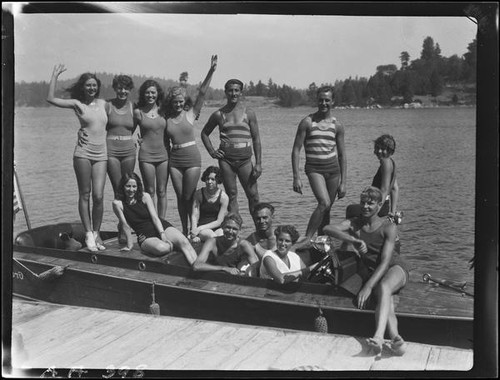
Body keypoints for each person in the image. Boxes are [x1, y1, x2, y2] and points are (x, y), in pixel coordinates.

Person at [323, 186, 409, 356]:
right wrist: (352, 239)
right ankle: (396, 339)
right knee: (387, 301)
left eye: (370, 203)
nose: (366, 207)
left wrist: (368, 286)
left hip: (395, 268)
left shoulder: (388, 227)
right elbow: (327, 229)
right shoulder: (355, 224)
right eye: (363, 203)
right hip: (374, 271)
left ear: (379, 206)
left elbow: (385, 262)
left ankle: (378, 336)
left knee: (383, 288)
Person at [46, 64, 108, 252]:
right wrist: (54, 75)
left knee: (98, 196)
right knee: (85, 194)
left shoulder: (104, 103)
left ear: (97, 86)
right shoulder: (77, 104)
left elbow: (124, 114)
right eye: (88, 85)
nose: (91, 88)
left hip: (101, 153)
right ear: (83, 87)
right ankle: (88, 233)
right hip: (83, 152)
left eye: (94, 85)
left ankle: (96, 233)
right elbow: (50, 98)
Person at [163, 55, 217, 236]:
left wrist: (211, 70)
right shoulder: (166, 119)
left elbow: (201, 92)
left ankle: (194, 227)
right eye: (175, 101)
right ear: (171, 102)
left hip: (192, 158)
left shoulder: (191, 113)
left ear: (184, 102)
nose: (178, 104)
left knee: (189, 195)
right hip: (174, 161)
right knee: (180, 197)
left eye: (181, 101)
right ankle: (185, 229)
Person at [292, 85, 346, 248]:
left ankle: (323, 242)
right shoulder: (307, 122)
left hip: (333, 170)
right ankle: (307, 238)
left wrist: (344, 182)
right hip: (314, 169)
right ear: (317, 101)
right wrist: (296, 176)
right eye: (321, 100)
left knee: (327, 208)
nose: (324, 103)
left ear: (333, 102)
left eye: (327, 100)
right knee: (323, 203)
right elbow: (296, 150)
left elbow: (342, 155)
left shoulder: (337, 126)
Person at [201, 78, 262, 215]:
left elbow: (256, 139)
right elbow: (204, 133)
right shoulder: (219, 114)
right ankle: (234, 232)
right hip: (226, 161)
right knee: (232, 195)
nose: (233, 93)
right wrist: (212, 151)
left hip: (245, 161)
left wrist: (258, 163)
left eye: (236, 90)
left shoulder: (249, 113)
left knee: (253, 196)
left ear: (241, 93)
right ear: (226, 92)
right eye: (230, 90)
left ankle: (260, 230)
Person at [112, 172, 197, 265]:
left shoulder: (145, 197)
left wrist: (162, 234)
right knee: (163, 248)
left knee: (184, 241)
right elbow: (125, 225)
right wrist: (129, 245)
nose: (131, 190)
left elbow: (155, 217)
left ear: (138, 187)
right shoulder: (118, 203)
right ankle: (172, 245)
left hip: (160, 226)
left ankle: (198, 267)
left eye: (134, 186)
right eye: (128, 186)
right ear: (122, 187)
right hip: (144, 235)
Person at [134, 79, 169, 219]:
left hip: (163, 155)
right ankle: (152, 221)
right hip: (146, 155)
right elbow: (126, 130)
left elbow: (181, 117)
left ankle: (162, 222)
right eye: (147, 93)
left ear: (157, 94)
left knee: (162, 191)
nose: (150, 96)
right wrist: (134, 141)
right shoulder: (138, 112)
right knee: (150, 191)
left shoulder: (164, 111)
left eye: (153, 93)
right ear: (143, 94)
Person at [346, 134, 400, 221]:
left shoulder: (385, 162)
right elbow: (394, 188)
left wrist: (375, 210)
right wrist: (392, 213)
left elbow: (385, 189)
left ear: (390, 150)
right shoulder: (392, 163)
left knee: (350, 210)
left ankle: (356, 233)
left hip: (379, 206)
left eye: (383, 149)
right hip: (384, 206)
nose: (379, 151)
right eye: (377, 148)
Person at [192, 213, 258, 274]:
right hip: (213, 276)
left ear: (239, 229)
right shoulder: (212, 242)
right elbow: (197, 266)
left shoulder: (244, 245)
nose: (230, 231)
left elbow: (256, 267)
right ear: (222, 226)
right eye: (228, 227)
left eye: (234, 229)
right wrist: (223, 268)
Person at [190, 166, 229, 243]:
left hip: (217, 227)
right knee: (212, 236)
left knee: (221, 236)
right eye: (207, 179)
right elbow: (194, 215)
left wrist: (199, 228)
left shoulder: (224, 197)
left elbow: (219, 221)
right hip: (203, 229)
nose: (209, 182)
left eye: (213, 179)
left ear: (218, 180)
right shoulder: (198, 194)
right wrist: (194, 231)